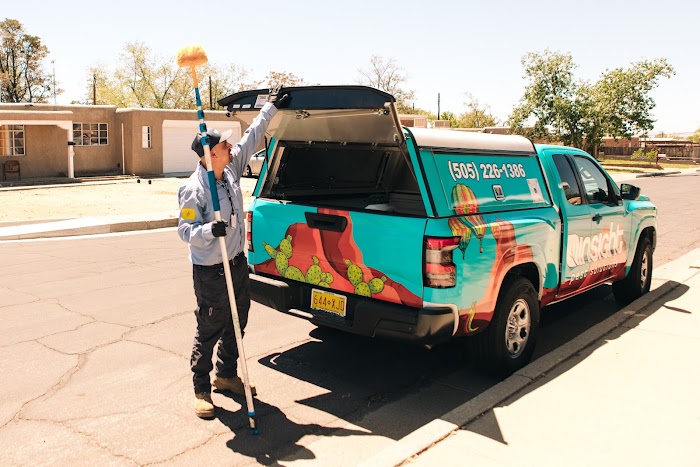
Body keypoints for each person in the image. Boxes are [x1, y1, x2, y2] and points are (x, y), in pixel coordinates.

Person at [177, 92, 289, 419]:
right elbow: (184, 230)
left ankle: (226, 375)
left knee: (238, 320)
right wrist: (208, 230)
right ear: (211, 154)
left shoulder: (229, 170)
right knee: (210, 325)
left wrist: (271, 107)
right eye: (224, 145)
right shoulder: (193, 190)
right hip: (211, 270)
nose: (231, 147)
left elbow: (253, 136)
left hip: (237, 263)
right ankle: (201, 389)